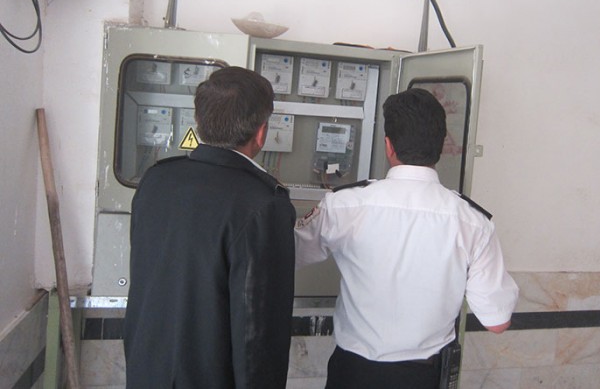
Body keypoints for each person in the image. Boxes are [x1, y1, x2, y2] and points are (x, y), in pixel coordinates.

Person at [295, 87, 519, 389]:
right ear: (441, 146)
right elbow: (497, 322)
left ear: (389, 146)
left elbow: (286, 253)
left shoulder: (344, 205)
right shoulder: (473, 222)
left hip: (354, 373)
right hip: (423, 376)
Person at [123, 66, 296, 389]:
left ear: (199, 123)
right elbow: (258, 334)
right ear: (261, 133)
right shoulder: (263, 204)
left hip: (146, 372)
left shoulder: (156, 180)